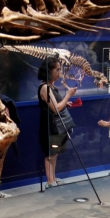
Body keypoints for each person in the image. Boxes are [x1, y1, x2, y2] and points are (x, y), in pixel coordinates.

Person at [38, 56, 77, 189]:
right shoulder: (45, 88)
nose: (59, 73)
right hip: (50, 126)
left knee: (55, 153)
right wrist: (68, 96)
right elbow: (55, 109)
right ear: (49, 71)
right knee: (50, 153)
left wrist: (67, 103)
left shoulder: (52, 87)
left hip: (56, 127)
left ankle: (53, 177)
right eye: (57, 70)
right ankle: (50, 181)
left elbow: (58, 105)